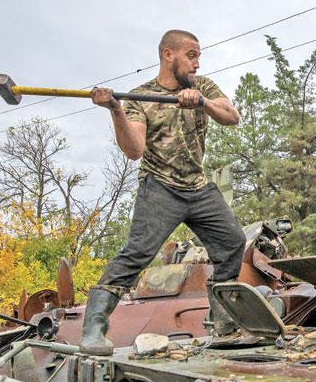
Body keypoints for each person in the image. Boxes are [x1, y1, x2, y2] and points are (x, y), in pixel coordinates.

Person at [80, 29, 246, 355]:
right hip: (159, 187)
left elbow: (231, 116)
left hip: (197, 187)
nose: (197, 63)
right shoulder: (141, 97)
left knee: (233, 243)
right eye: (192, 55)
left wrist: (203, 103)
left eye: (199, 56)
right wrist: (116, 109)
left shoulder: (203, 87)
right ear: (169, 55)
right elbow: (134, 149)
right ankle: (93, 330)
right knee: (137, 253)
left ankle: (224, 328)